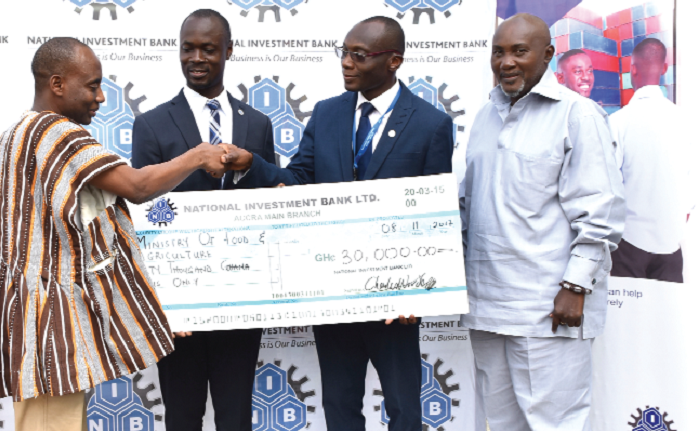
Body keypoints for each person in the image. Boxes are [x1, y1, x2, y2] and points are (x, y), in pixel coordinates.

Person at [221, 16, 454, 431]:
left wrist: (417, 297)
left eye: (358, 55)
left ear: (394, 61)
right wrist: (251, 165)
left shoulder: (430, 124)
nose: (346, 63)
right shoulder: (327, 114)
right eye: (343, 52)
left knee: (404, 410)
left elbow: (435, 217)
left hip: (395, 300)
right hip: (335, 295)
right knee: (340, 408)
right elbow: (298, 181)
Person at [1, 37, 230, 431]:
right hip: (49, 324)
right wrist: (198, 155)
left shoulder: (17, 132)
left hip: (28, 317)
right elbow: (138, 187)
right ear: (57, 84)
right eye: (91, 85)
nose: (101, 98)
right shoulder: (58, 134)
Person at [458, 14, 624, 431]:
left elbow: (599, 210)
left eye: (519, 51)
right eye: (499, 52)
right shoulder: (484, 116)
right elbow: (468, 204)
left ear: (547, 55)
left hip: (548, 307)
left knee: (555, 423)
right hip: (486, 304)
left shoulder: (577, 115)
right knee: (498, 423)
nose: (507, 62)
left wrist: (575, 287)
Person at [131, 9, 275, 431]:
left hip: (241, 298)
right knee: (181, 415)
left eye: (208, 49)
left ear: (228, 51)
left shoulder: (259, 124)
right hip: (179, 309)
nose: (196, 58)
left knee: (236, 416)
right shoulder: (151, 124)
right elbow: (144, 215)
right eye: (188, 48)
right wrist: (168, 302)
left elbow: (272, 205)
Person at [609, 38, 693, 283]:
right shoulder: (685, 121)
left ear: (632, 70)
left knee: (627, 320)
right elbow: (692, 183)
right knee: (664, 319)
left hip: (628, 245)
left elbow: (609, 185)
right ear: (665, 68)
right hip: (671, 246)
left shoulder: (618, 122)